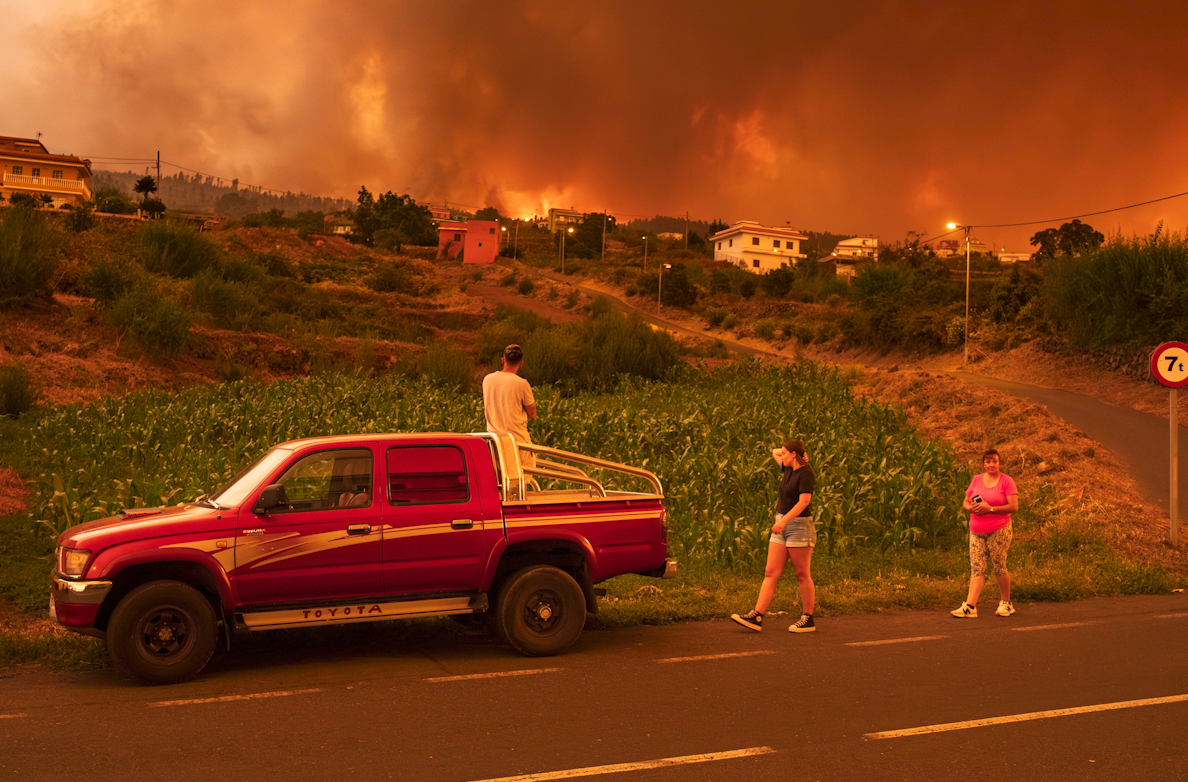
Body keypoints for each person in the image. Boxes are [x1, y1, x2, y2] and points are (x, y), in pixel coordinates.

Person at [731, 438, 818, 633]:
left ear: (793, 455)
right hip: (782, 525)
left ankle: (808, 618)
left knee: (802, 573)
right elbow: (774, 451)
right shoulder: (787, 468)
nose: (782, 456)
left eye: (786, 453)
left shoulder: (806, 473)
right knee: (771, 572)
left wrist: (783, 521)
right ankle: (757, 615)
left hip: (798, 526)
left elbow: (804, 502)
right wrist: (797, 452)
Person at [952, 448, 1019, 619]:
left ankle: (1006, 603)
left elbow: (1013, 507)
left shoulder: (1006, 481)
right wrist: (972, 508)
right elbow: (966, 502)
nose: (991, 465)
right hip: (976, 530)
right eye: (988, 461)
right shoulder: (976, 480)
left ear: (999, 463)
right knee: (977, 568)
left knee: (998, 565)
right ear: (983, 464)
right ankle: (970, 606)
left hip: (999, 529)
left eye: (994, 461)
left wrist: (989, 508)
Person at [482, 344, 537, 468]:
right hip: (517, 442)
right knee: (522, 481)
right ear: (521, 363)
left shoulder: (487, 380)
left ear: (503, 360)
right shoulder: (522, 384)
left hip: (495, 443)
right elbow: (532, 414)